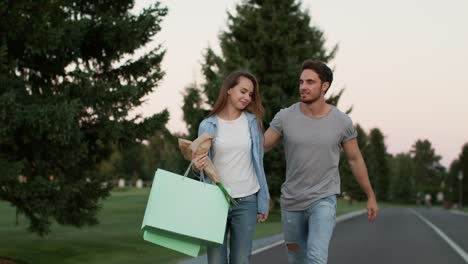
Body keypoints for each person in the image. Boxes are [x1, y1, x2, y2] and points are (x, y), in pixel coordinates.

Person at [263, 59, 378, 264]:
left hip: (323, 200)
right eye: (301, 82)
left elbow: (354, 159)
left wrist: (370, 195)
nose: (303, 87)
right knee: (296, 257)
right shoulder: (285, 117)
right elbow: (260, 147)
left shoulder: (342, 122)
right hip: (291, 203)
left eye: (310, 82)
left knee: (316, 257)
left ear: (324, 86)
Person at [192, 70, 270, 264]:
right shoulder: (207, 125)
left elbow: (259, 162)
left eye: (250, 94)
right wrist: (196, 166)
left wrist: (263, 198)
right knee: (216, 260)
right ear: (228, 90)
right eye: (243, 91)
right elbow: (200, 167)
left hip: (246, 200)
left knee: (241, 260)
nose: (247, 97)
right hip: (215, 201)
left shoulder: (253, 123)